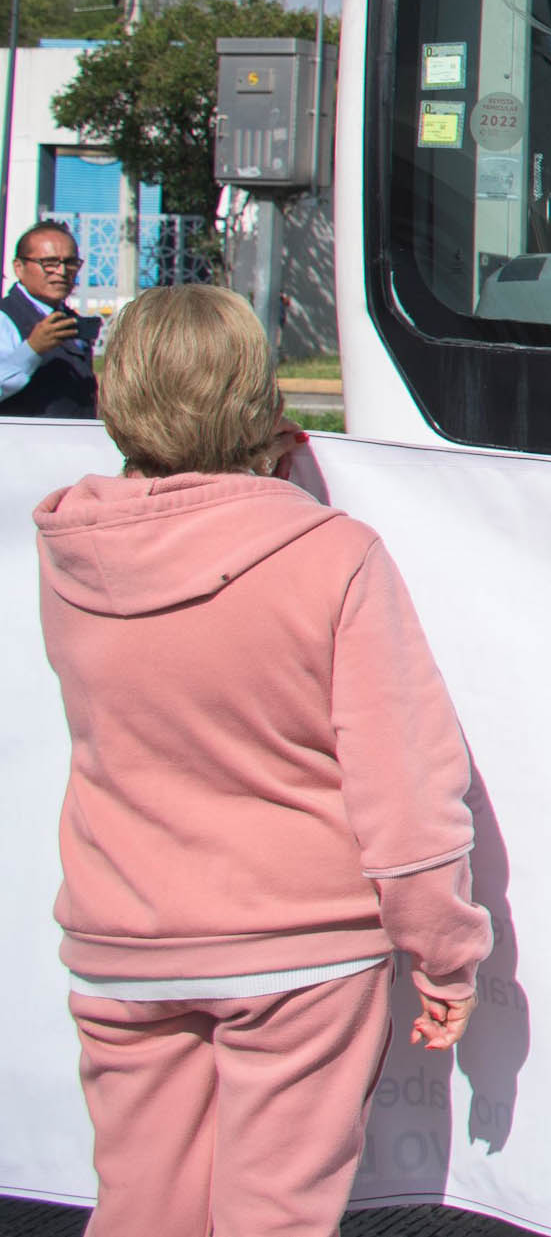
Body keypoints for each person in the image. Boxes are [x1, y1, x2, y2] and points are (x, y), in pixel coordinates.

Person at [36, 284, 490, 1237]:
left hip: (121, 942)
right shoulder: (333, 554)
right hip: (300, 951)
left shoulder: (71, 551)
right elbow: (405, 792)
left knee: (141, 1209)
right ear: (262, 398)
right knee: (273, 1216)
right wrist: (446, 953)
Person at [1, 219, 99, 418]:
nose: (62, 272)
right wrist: (32, 349)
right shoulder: (5, 317)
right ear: (19, 267)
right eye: (49, 263)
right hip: (18, 445)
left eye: (70, 263)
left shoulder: (70, 320)